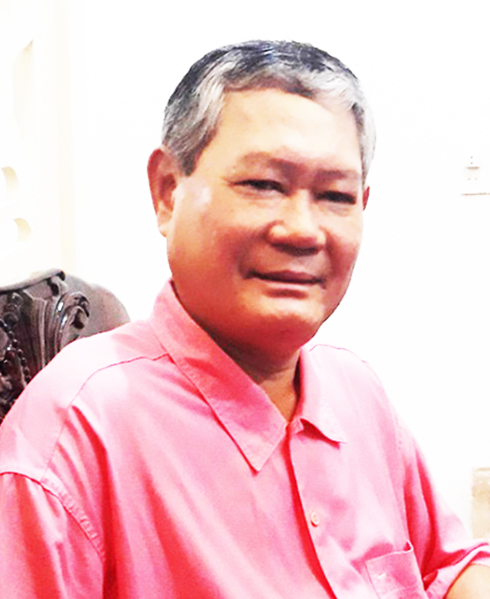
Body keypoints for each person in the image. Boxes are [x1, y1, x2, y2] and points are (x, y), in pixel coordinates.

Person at [0, 40, 489, 598]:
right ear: (167, 191)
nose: (302, 230)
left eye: (335, 195)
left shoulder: (356, 389)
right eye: (263, 185)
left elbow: (450, 565)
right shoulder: (73, 438)